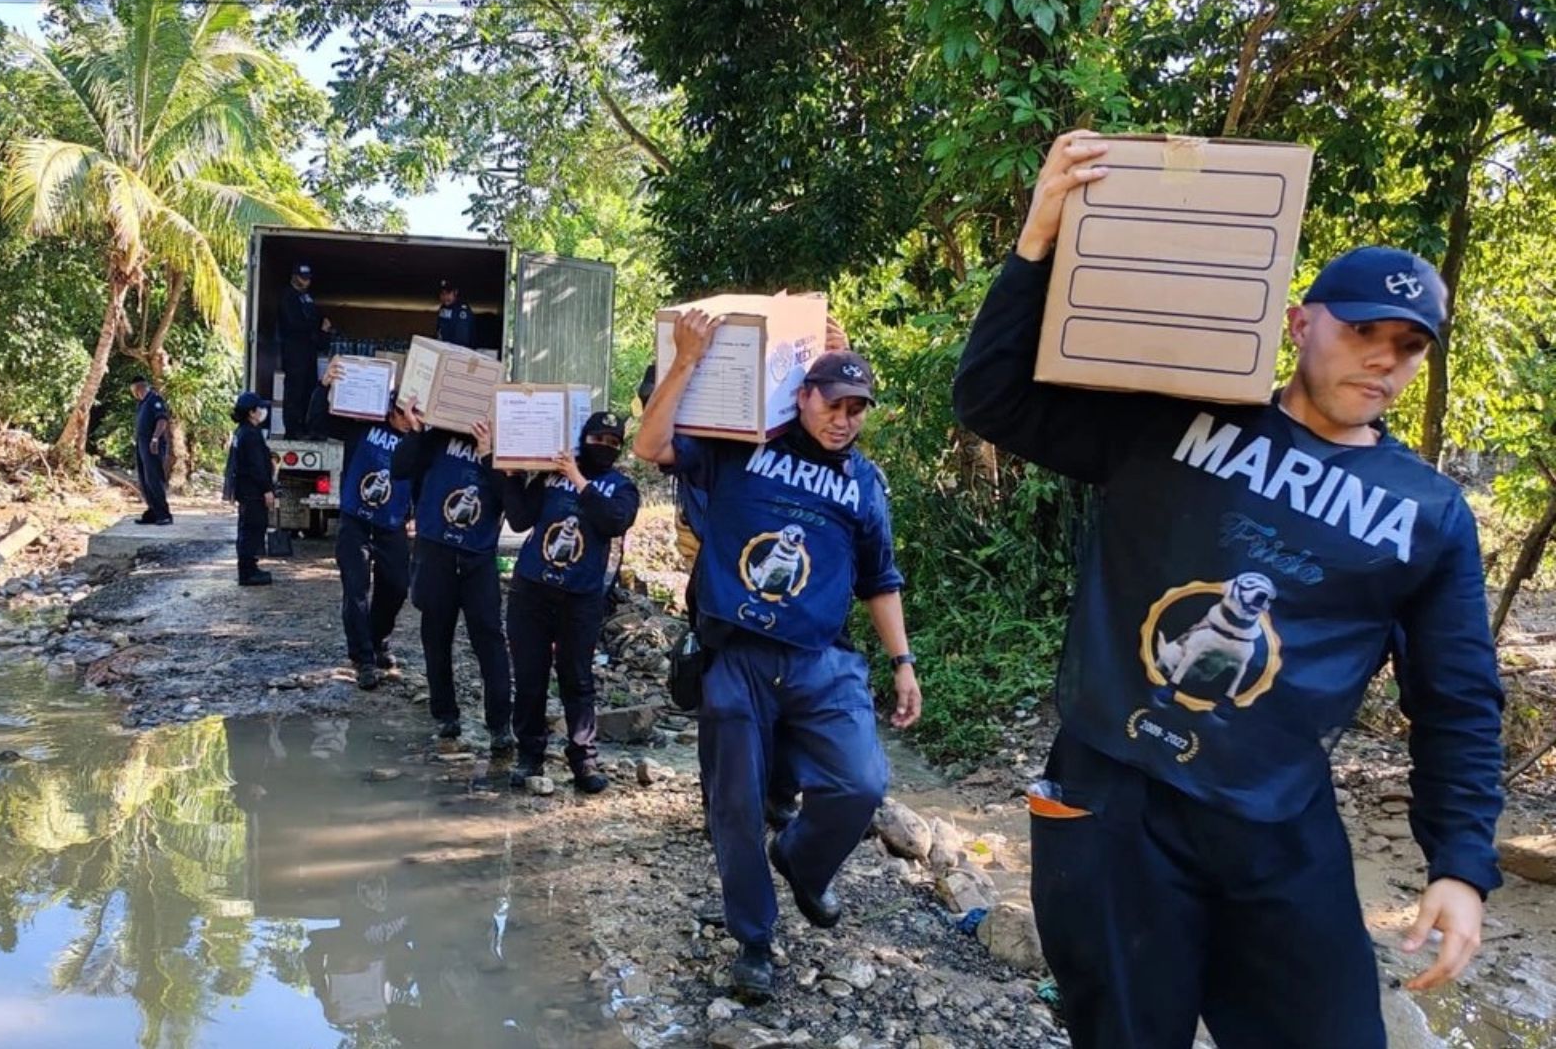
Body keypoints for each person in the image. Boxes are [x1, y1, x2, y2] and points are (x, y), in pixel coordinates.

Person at [952, 130, 1505, 1049]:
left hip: (1279, 826)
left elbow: (1458, 700)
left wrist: (1461, 863)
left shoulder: (1429, 513)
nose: (1383, 359)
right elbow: (993, 401)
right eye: (1362, 330)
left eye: (1408, 346)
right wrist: (1036, 245)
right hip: (1114, 797)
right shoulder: (1176, 417)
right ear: (1298, 322)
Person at [635, 327, 921, 1004]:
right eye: (835, 404)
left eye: (858, 410)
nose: (845, 421)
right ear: (803, 397)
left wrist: (903, 663)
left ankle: (798, 857)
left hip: (822, 661)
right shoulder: (741, 451)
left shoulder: (863, 483)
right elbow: (649, 446)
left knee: (859, 783)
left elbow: (880, 579)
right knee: (734, 806)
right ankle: (755, 940)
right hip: (736, 655)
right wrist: (685, 361)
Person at [502, 412, 642, 794]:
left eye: (613, 443)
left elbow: (613, 522)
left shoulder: (622, 488)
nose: (605, 447)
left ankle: (584, 761)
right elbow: (518, 519)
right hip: (531, 590)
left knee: (577, 680)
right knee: (530, 678)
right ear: (584, 438)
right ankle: (529, 755)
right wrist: (512, 474)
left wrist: (578, 480)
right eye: (598, 439)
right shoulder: (550, 475)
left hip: (581, 598)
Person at [391, 402, 515, 749]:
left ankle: (500, 726)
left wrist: (489, 452)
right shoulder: (435, 437)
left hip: (478, 558)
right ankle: (445, 715)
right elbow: (399, 468)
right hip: (435, 552)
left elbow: (513, 504)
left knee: (489, 640)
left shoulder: (502, 444)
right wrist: (416, 431)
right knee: (435, 636)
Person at [311, 359, 415, 689]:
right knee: (355, 590)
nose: (406, 421)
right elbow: (317, 421)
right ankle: (363, 658)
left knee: (397, 587)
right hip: (356, 519)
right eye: (401, 414)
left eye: (412, 416)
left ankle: (376, 638)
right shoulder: (363, 426)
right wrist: (324, 386)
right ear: (389, 411)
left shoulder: (417, 442)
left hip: (392, 525)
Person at [222, 391, 275, 586]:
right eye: (259, 408)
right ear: (252, 412)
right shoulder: (250, 434)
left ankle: (250, 567)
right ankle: (247, 572)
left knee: (247, 528)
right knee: (252, 529)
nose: (262, 411)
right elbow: (256, 467)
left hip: (245, 490)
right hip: (252, 491)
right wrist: (267, 489)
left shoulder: (242, 431)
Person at [276, 263, 333, 438]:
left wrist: (323, 329)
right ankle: (293, 430)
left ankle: (309, 428)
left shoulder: (307, 298)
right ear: (294, 276)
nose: (306, 281)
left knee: (309, 390)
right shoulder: (288, 297)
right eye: (302, 277)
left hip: (309, 351)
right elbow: (293, 323)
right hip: (294, 351)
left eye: (308, 278)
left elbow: (317, 319)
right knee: (295, 392)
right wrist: (314, 326)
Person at [130, 375, 172, 525]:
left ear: (138, 388)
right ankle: (153, 511)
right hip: (142, 444)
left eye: (133, 391)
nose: (133, 394)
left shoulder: (154, 399)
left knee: (154, 478)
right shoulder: (142, 403)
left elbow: (162, 420)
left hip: (152, 444)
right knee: (144, 479)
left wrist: (155, 438)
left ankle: (164, 514)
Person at [436, 280, 475, 348]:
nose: (445, 297)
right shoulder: (443, 307)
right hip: (444, 347)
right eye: (442, 294)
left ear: (455, 292)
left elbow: (461, 340)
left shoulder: (462, 311)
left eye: (448, 293)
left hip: (457, 352)